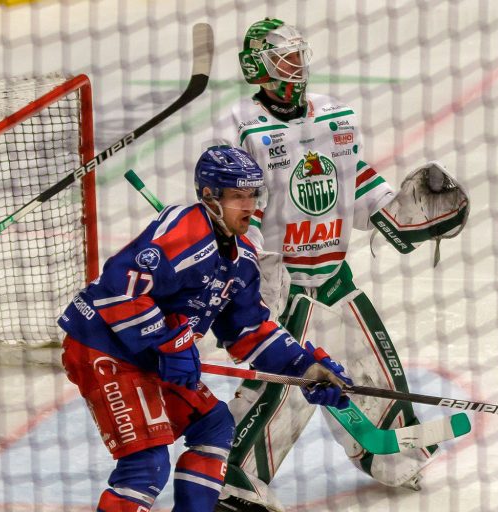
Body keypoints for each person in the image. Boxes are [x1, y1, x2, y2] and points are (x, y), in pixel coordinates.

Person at [212, 18, 470, 511]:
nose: (296, 66)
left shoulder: (335, 117)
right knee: (285, 389)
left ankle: (392, 457)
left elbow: (359, 187)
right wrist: (244, 281)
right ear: (256, 68)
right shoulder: (240, 128)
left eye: (298, 55)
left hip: (335, 277)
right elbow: (237, 216)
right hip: (285, 288)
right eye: (283, 58)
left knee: (376, 369)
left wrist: (407, 215)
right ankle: (235, 479)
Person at [58, 145, 356, 512]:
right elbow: (120, 290)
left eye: (252, 196)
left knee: (214, 426)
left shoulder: (242, 257)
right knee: (146, 465)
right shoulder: (182, 231)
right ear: (208, 196)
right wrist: (168, 345)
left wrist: (306, 369)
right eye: (237, 196)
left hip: (152, 357)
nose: (249, 207)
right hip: (102, 349)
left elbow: (248, 330)